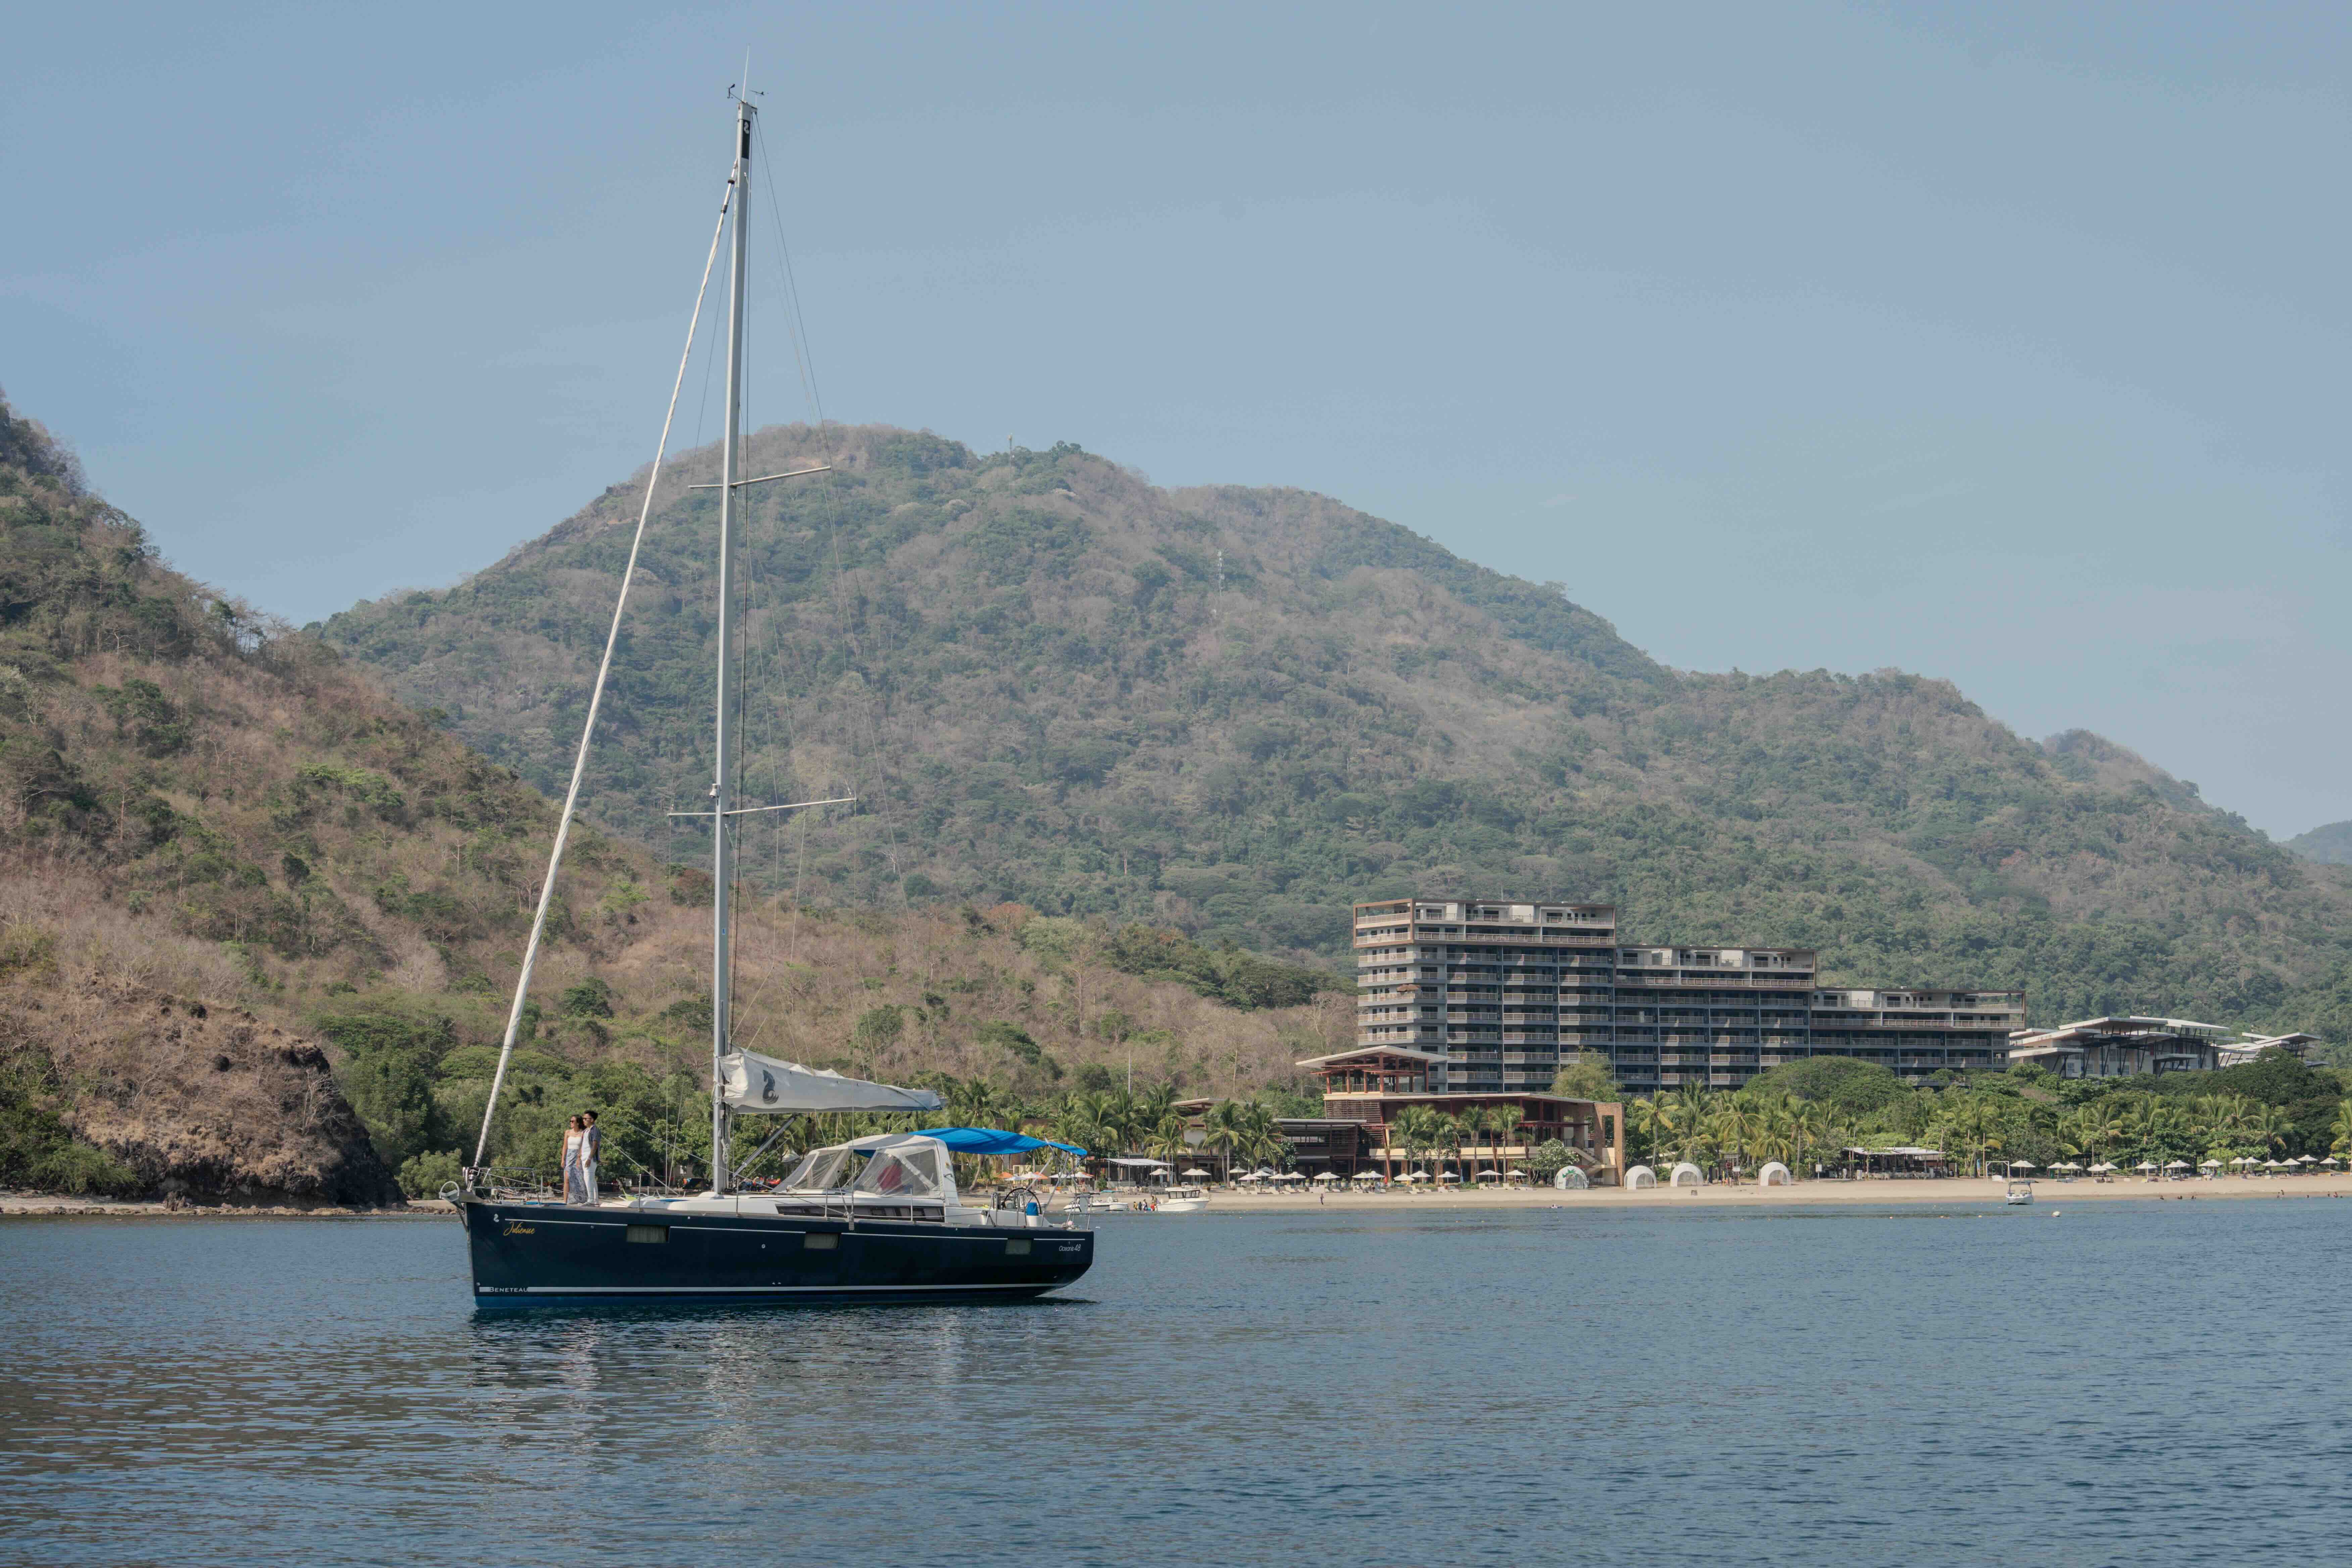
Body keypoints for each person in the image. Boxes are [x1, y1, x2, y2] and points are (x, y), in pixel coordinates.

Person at [560, 1115, 587, 1204]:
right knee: (567, 1179)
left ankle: (581, 1200)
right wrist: (563, 1159)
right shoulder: (568, 1132)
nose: (571, 1123)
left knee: (579, 1179)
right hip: (569, 1158)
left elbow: (583, 1147)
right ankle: (565, 1201)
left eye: (572, 1121)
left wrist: (579, 1158)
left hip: (578, 1158)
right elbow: (565, 1147)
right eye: (570, 1121)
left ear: (578, 1123)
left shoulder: (583, 1133)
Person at [579, 1110, 602, 1203]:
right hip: (584, 1158)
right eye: (583, 1119)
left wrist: (589, 1158)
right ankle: (596, 1201)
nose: (583, 1120)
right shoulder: (586, 1131)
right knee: (591, 1179)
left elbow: (595, 1145)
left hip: (590, 1158)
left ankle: (591, 1200)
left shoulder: (595, 1130)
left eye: (585, 1119)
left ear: (592, 1120)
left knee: (588, 1178)